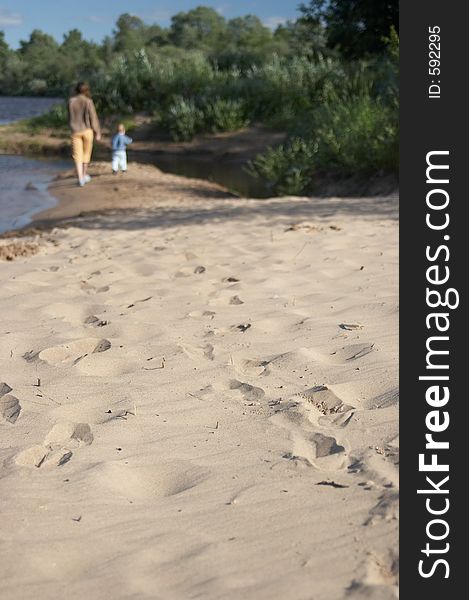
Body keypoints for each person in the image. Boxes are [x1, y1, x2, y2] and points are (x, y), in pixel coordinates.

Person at [68, 82, 101, 187]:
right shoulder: (88, 101)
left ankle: (80, 178)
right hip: (87, 130)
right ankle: (84, 174)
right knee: (86, 154)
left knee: (77, 156)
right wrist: (97, 132)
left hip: (75, 130)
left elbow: (69, 117)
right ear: (86, 90)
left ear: (76, 90)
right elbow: (93, 118)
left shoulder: (71, 101)